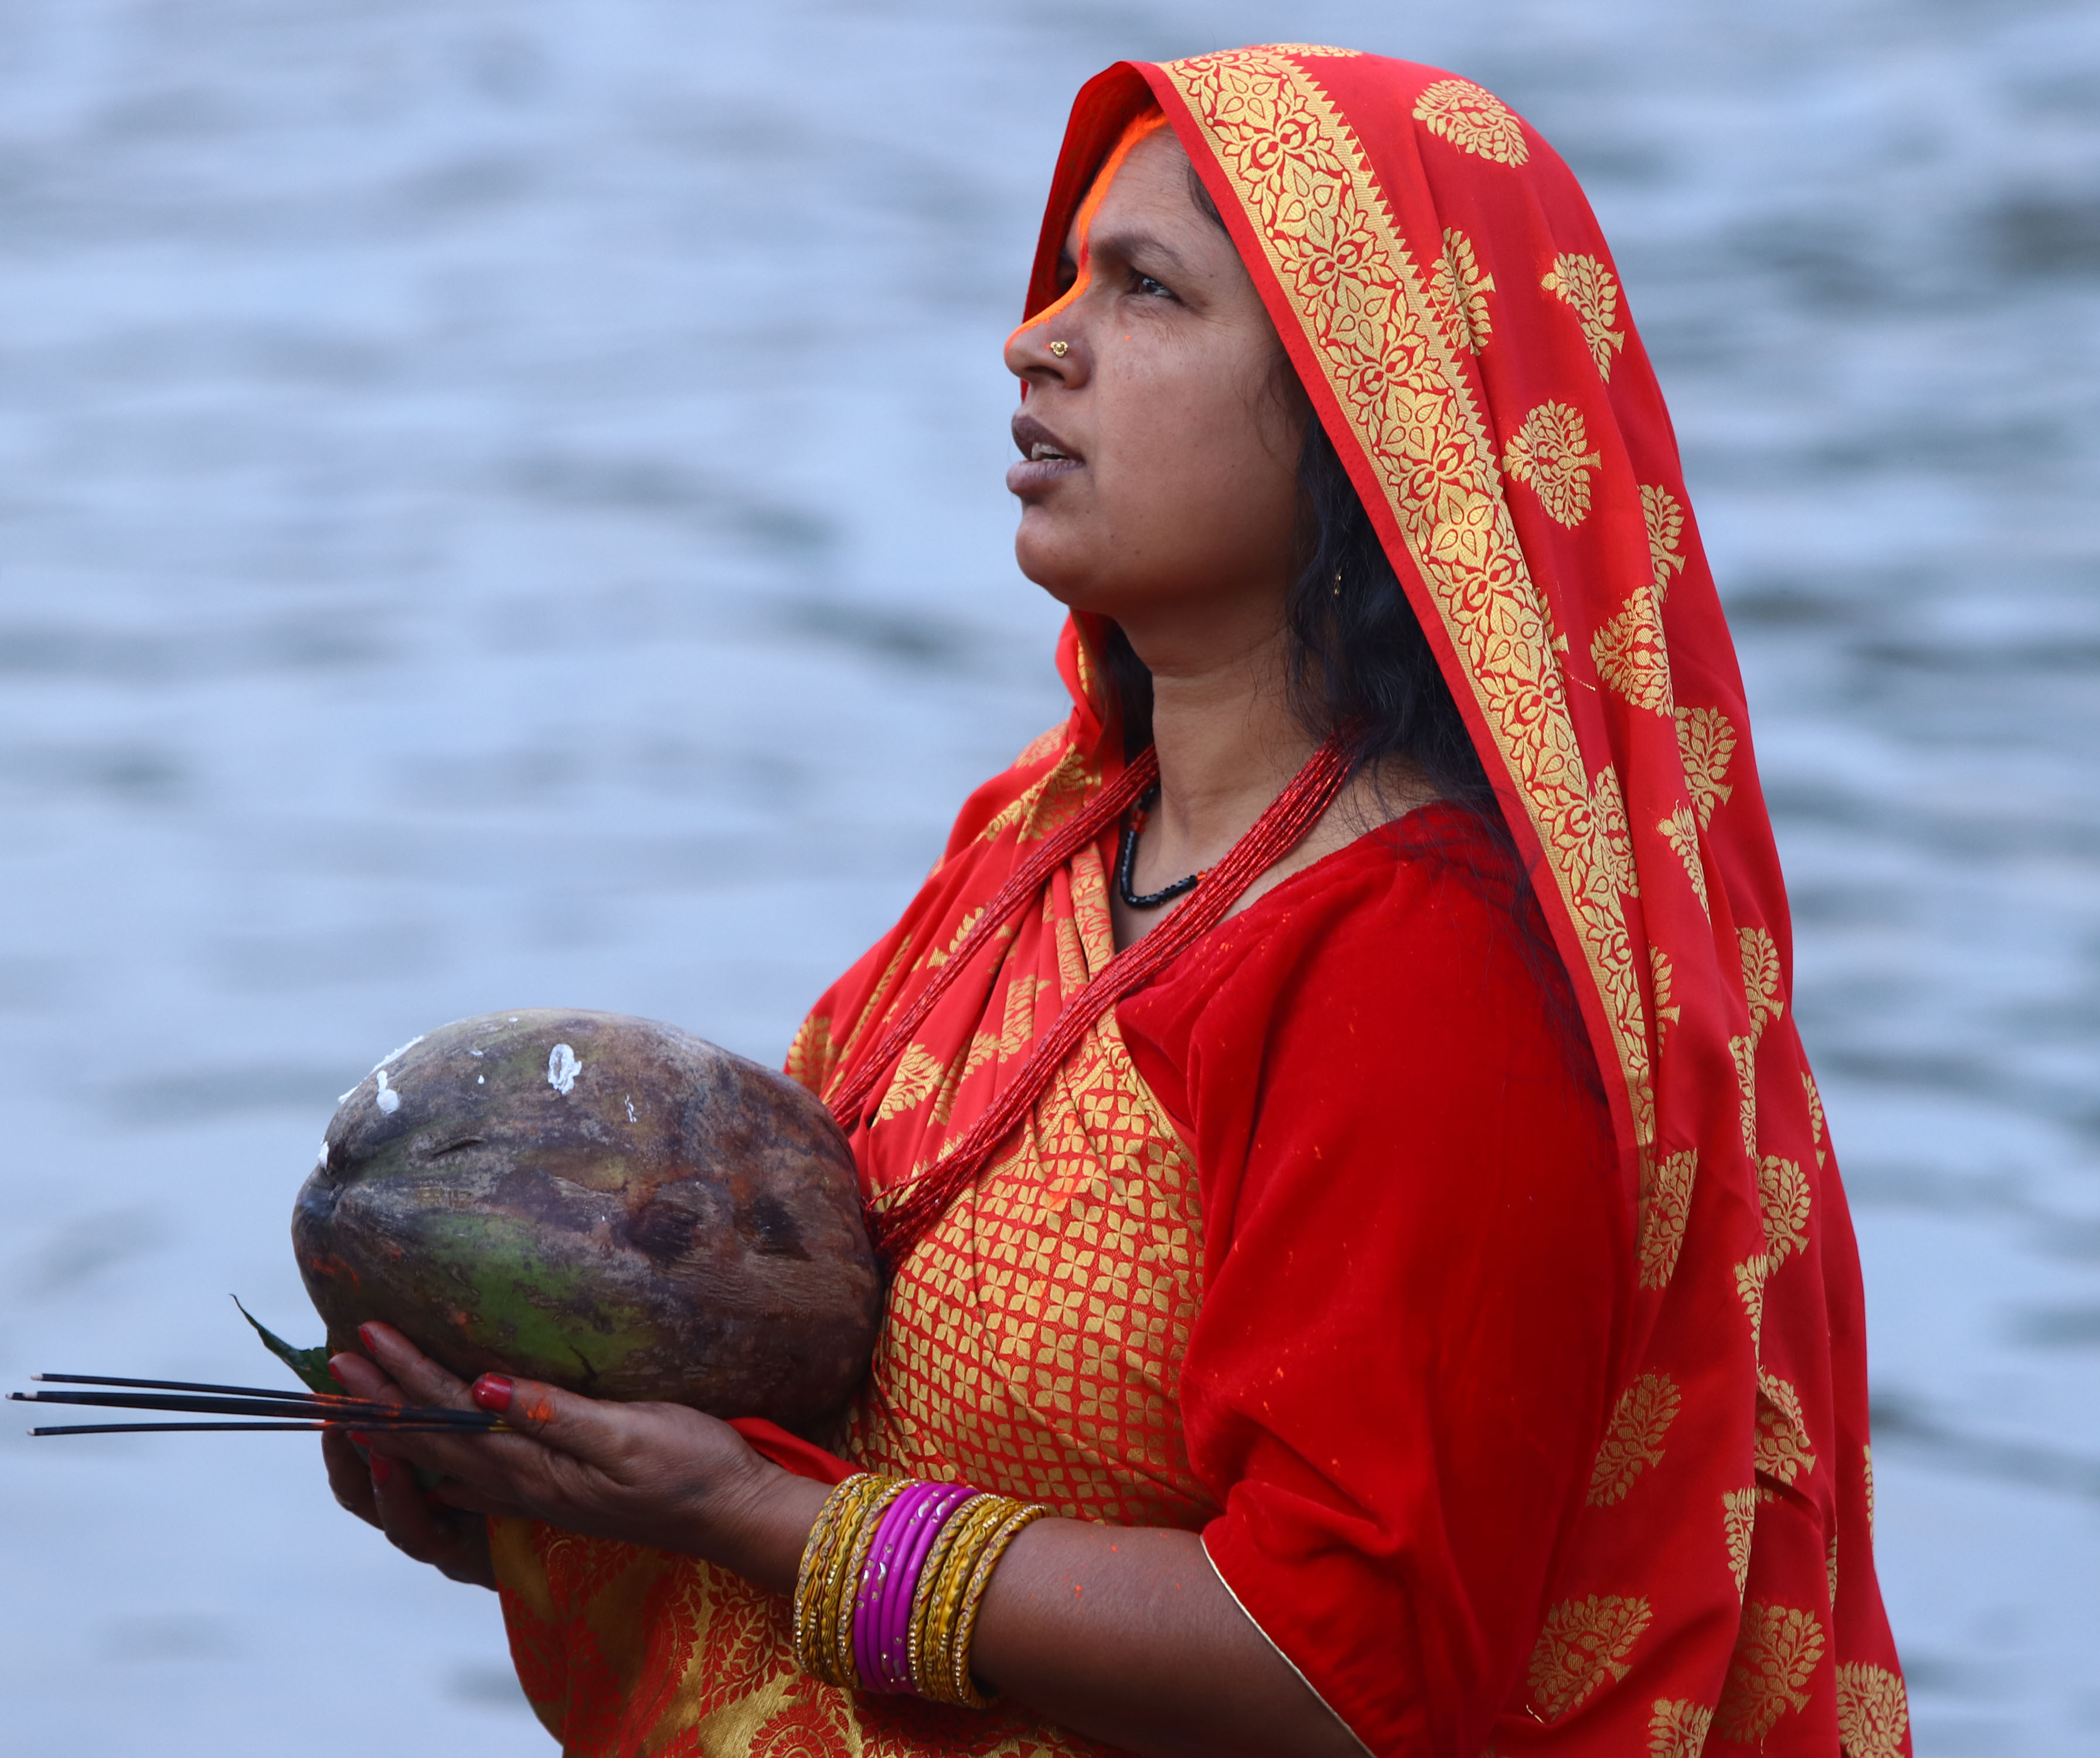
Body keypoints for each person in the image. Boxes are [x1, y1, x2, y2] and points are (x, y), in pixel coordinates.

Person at [324, 45, 1911, 1758]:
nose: (1037, 339)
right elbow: (814, 1362)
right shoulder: (1050, 837)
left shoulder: (1423, 967)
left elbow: (1342, 1673)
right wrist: (532, 1480)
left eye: (1145, 290)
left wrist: (746, 1522)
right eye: (1071, 276)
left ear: (1366, 412)